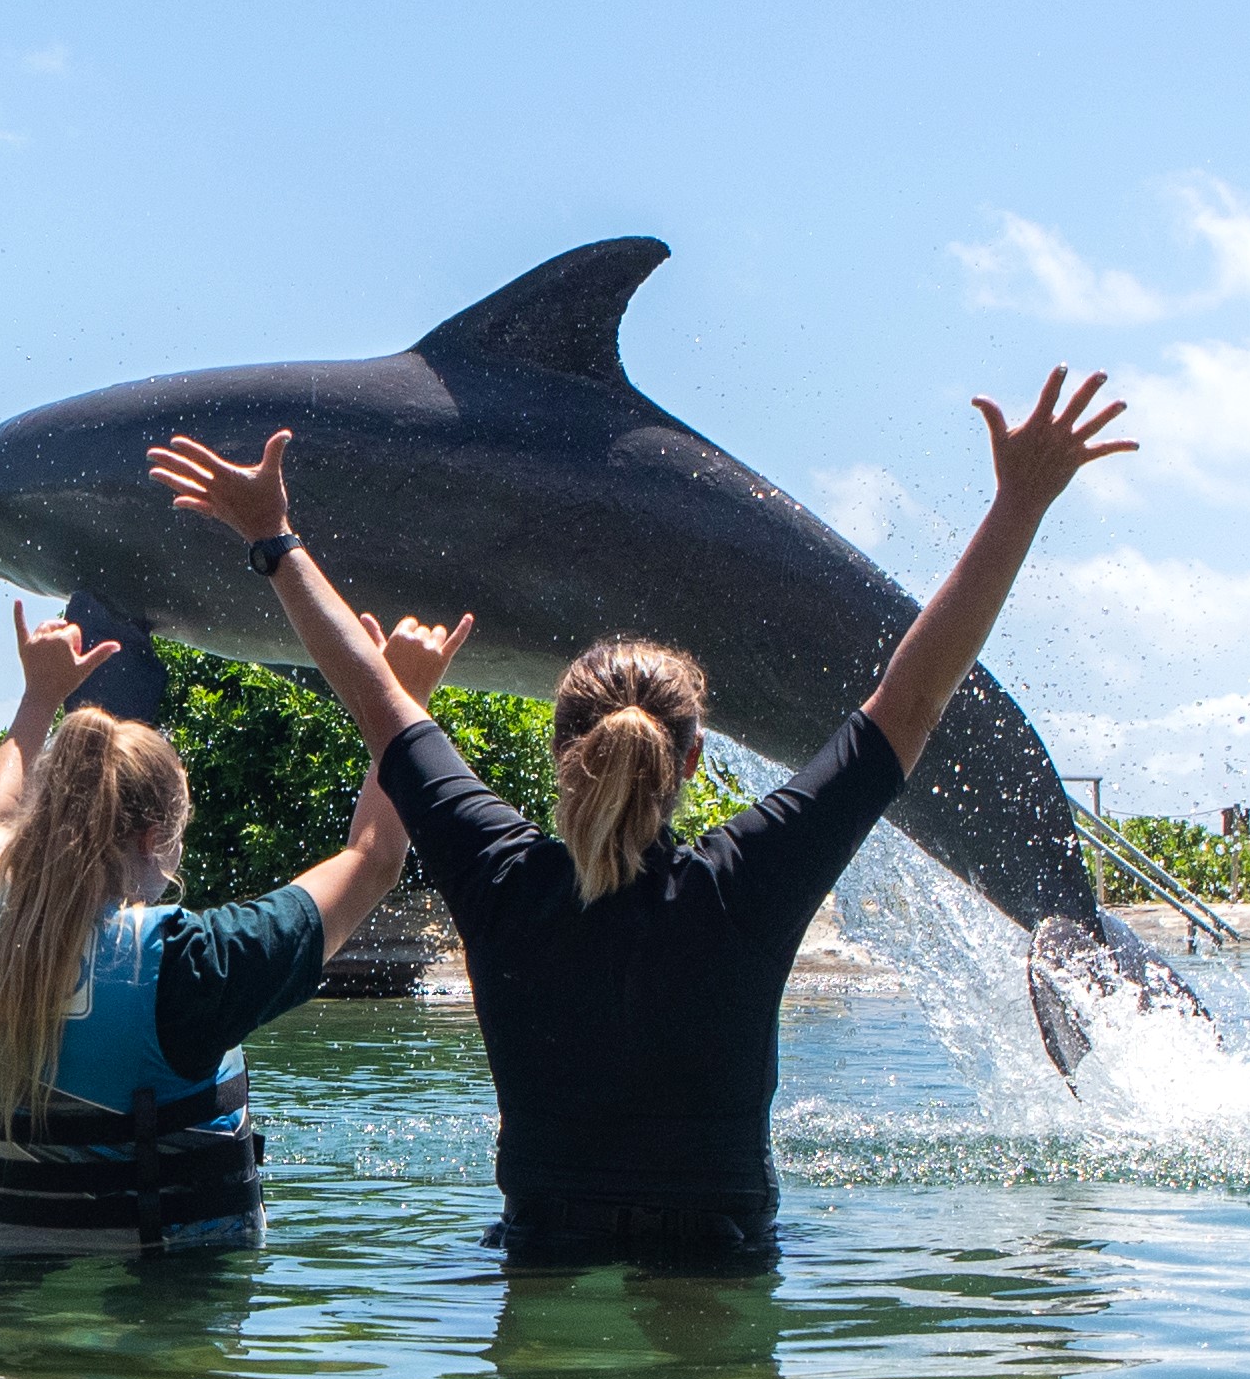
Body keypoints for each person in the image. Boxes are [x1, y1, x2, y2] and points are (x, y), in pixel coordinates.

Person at [149, 367, 1135, 1266]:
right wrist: (1017, 505)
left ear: (556, 750)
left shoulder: (498, 872)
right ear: (691, 759)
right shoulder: (752, 875)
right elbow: (914, 692)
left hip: (543, 1262)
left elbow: (375, 696)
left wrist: (272, 538)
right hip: (720, 1266)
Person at [0, 599, 457, 1262]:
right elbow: (373, 860)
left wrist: (38, 699)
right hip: (169, 1338)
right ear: (154, 841)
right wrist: (400, 699)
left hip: (9, 1330)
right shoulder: (193, 964)